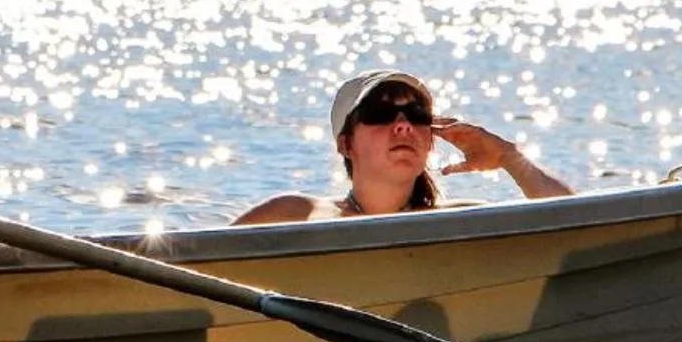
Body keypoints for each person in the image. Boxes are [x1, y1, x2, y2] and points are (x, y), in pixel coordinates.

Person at [232, 68, 570, 225]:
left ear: (431, 140)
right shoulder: (294, 214)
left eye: (417, 115)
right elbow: (204, 271)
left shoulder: (461, 220)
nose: (403, 125)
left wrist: (510, 157)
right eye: (380, 114)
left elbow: (578, 228)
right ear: (346, 144)